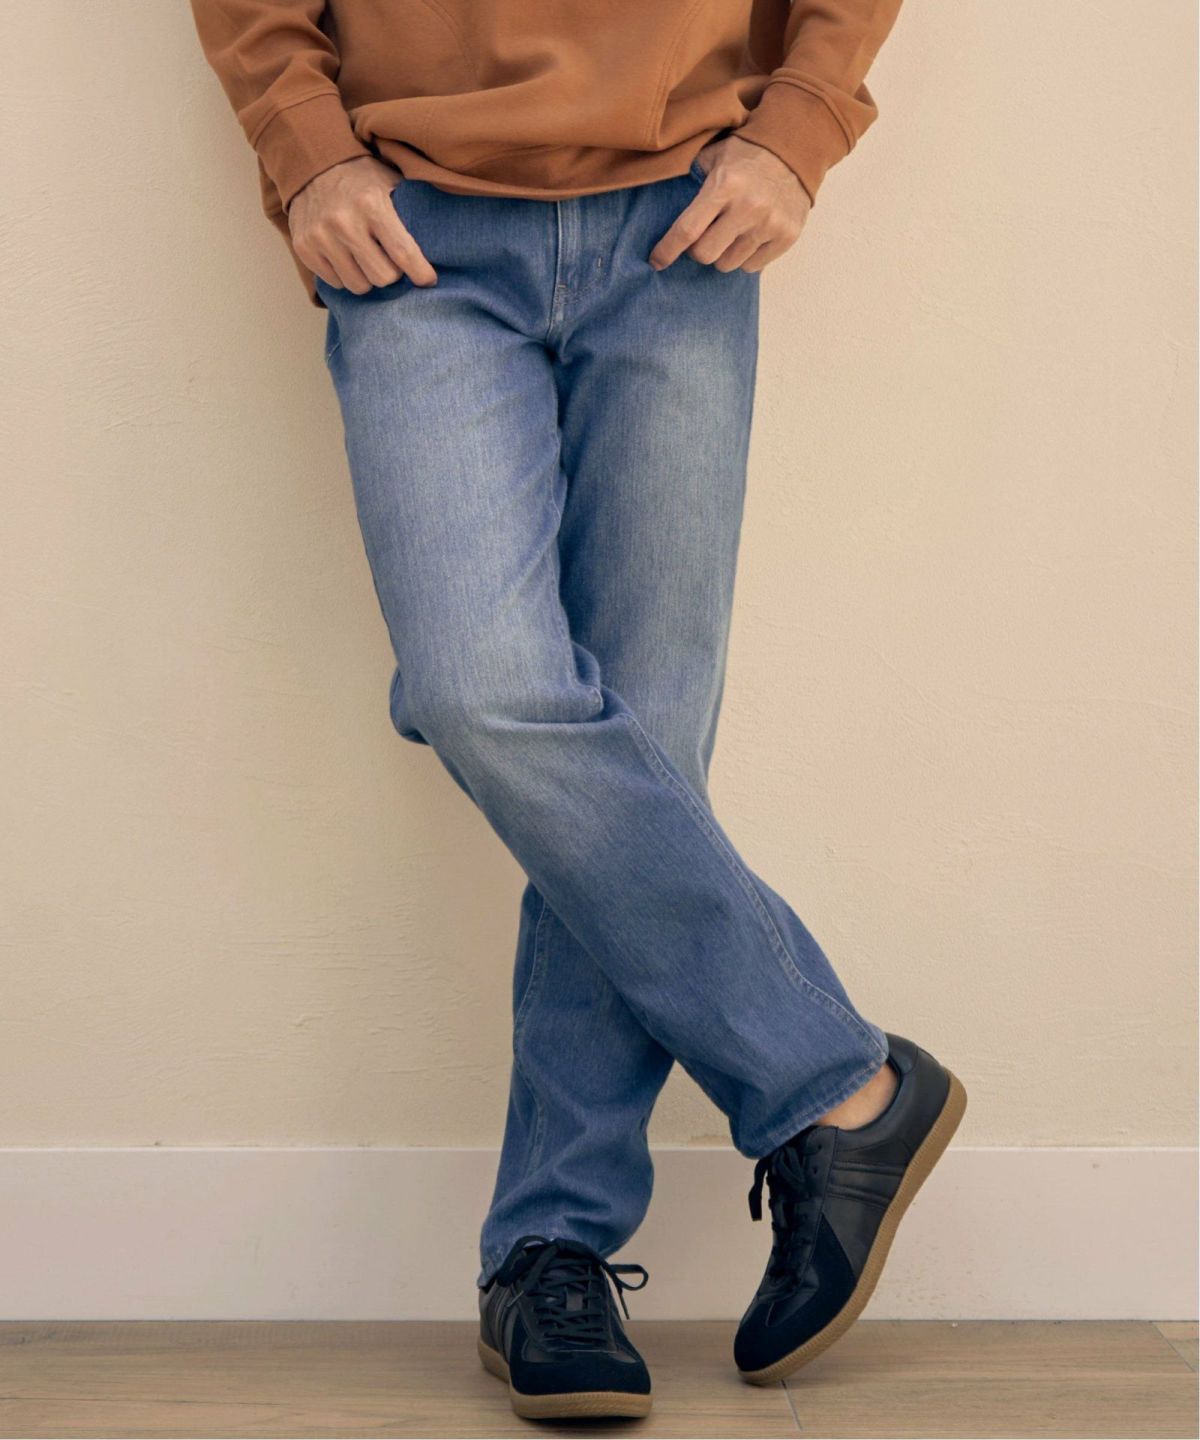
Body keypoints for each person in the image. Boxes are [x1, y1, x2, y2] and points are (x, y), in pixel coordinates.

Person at [190, 0, 966, 1421]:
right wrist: (307, 153)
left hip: (682, 225)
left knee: (643, 750)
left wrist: (798, 130)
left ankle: (551, 1248)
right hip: (412, 227)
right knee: (483, 690)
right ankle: (835, 1087)